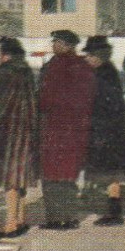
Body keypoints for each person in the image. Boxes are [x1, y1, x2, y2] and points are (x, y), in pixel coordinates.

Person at [38, 28, 96, 229]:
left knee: (53, 175)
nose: (53, 45)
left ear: (68, 45)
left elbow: (44, 99)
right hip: (75, 130)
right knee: (68, 175)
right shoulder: (83, 67)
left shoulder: (54, 67)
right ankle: (68, 218)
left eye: (57, 42)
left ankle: (56, 218)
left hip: (55, 129)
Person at [0, 36, 38, 238]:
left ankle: (11, 224)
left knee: (10, 179)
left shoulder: (3, 73)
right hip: (27, 130)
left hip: (8, 131)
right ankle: (21, 219)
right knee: (20, 177)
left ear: (5, 55)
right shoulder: (26, 72)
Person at [83, 34, 125, 226]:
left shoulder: (104, 75)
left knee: (111, 172)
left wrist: (100, 133)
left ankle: (114, 213)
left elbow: (106, 106)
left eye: (89, 55)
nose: (86, 59)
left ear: (98, 56)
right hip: (109, 131)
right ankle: (113, 211)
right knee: (111, 173)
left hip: (107, 132)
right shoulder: (106, 72)